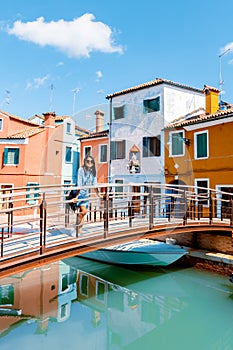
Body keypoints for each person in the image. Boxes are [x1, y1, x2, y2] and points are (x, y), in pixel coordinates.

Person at [73, 155, 102, 232]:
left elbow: (95, 184)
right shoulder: (81, 170)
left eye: (91, 161)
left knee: (83, 214)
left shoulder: (93, 172)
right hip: (79, 194)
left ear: (93, 163)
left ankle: (79, 230)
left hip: (85, 195)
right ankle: (76, 227)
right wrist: (76, 196)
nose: (89, 163)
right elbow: (79, 184)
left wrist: (98, 194)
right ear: (85, 162)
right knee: (83, 212)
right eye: (88, 161)